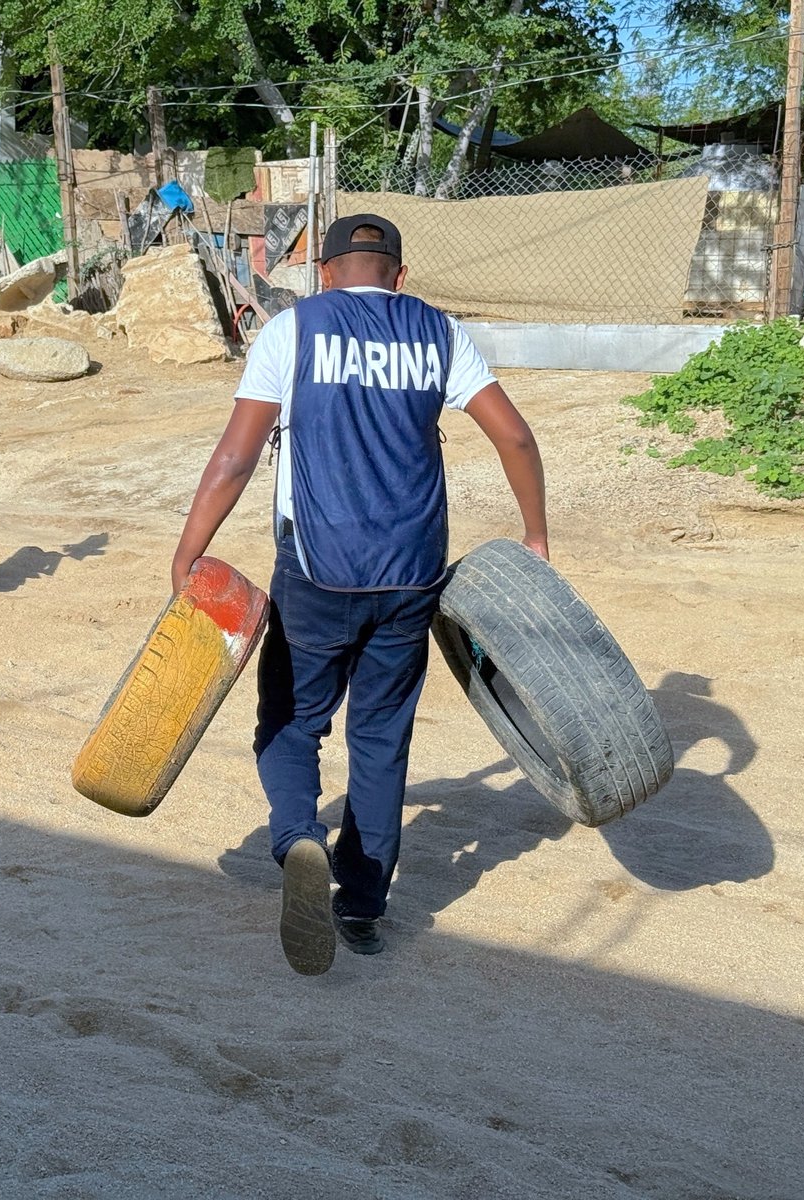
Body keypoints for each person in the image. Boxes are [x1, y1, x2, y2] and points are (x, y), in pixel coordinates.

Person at [171, 215, 548, 976]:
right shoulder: (440, 333)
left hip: (317, 568)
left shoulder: (293, 330)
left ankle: (297, 841)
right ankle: (364, 906)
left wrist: (190, 550)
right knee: (380, 737)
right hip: (413, 572)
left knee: (292, 720)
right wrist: (535, 536)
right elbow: (513, 435)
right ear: (399, 276)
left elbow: (236, 457)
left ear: (325, 271)